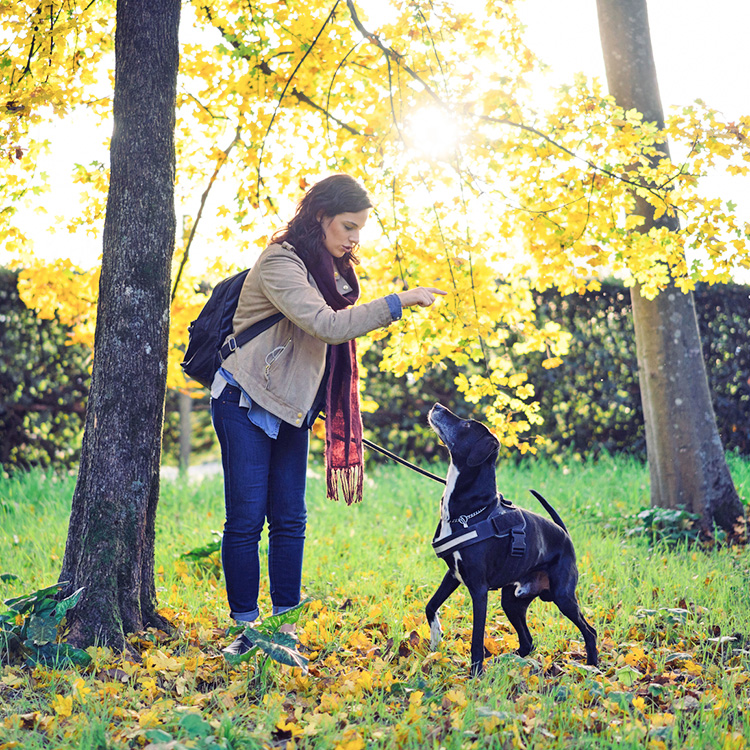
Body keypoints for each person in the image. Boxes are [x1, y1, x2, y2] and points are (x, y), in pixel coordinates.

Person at [211, 174, 445, 656]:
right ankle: (246, 628)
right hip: (245, 399)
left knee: (290, 519)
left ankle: (284, 626)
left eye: (360, 228)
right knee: (247, 519)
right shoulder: (280, 262)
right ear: (321, 217)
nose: (355, 238)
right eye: (348, 226)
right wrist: (398, 301)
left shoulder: (332, 274)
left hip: (292, 406)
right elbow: (327, 326)